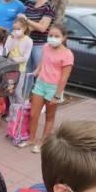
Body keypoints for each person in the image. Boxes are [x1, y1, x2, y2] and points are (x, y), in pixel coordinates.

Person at [25, 23, 73, 153]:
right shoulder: (46, 47)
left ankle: (43, 142)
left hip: (54, 88)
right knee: (33, 114)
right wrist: (37, 70)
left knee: (49, 117)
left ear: (64, 37)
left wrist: (57, 95)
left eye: (56, 36)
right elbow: (43, 61)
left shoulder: (68, 54)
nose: (52, 38)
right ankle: (31, 139)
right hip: (40, 84)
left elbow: (64, 77)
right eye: (50, 35)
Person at [23, 0, 55, 73]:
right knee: (26, 72)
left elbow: (42, 28)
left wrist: (27, 20)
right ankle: (27, 88)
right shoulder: (29, 5)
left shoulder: (48, 6)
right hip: (27, 43)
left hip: (40, 45)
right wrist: (35, 24)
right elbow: (26, 26)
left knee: (39, 71)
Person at [5, 15, 34, 104]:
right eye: (14, 28)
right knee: (10, 91)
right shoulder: (11, 38)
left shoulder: (28, 40)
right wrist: (12, 39)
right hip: (9, 69)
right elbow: (6, 50)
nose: (16, 31)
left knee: (17, 91)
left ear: (24, 28)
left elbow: (25, 58)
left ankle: (20, 112)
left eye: (18, 28)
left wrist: (12, 60)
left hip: (20, 69)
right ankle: (11, 112)